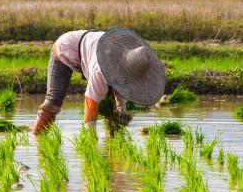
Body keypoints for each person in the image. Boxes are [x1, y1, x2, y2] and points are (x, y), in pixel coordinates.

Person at [31, 28, 166, 135]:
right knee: (53, 103)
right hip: (65, 49)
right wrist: (91, 137)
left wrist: (121, 110)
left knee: (113, 109)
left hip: (90, 50)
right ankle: (36, 139)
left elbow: (121, 84)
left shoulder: (127, 61)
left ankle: (113, 141)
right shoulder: (101, 70)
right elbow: (90, 102)